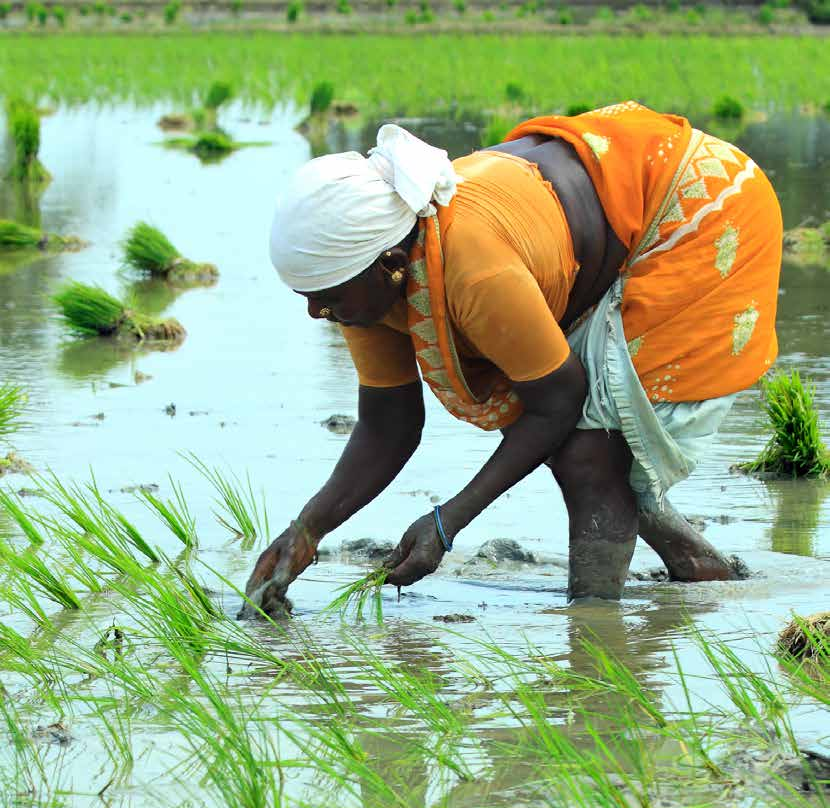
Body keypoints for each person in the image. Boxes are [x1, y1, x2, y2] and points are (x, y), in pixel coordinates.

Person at [242, 102, 782, 618]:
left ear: (391, 264)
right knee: (578, 443)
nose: (317, 312)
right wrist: (306, 532)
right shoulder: (369, 280)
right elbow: (390, 424)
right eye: (308, 296)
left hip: (693, 209)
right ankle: (697, 568)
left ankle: (597, 643)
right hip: (610, 198)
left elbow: (558, 399)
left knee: (587, 453)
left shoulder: (472, 270)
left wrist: (448, 521)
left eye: (326, 295)